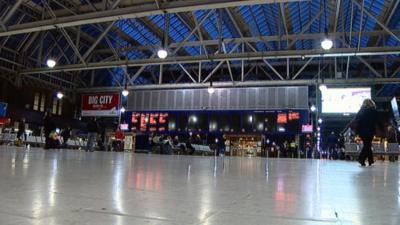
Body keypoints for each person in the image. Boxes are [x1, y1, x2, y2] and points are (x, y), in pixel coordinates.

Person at [352, 99, 380, 166]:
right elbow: (377, 121)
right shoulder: (374, 111)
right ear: (372, 103)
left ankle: (370, 160)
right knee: (367, 145)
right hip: (370, 131)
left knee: (367, 144)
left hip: (361, 131)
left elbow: (357, 120)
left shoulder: (361, 111)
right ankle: (361, 158)